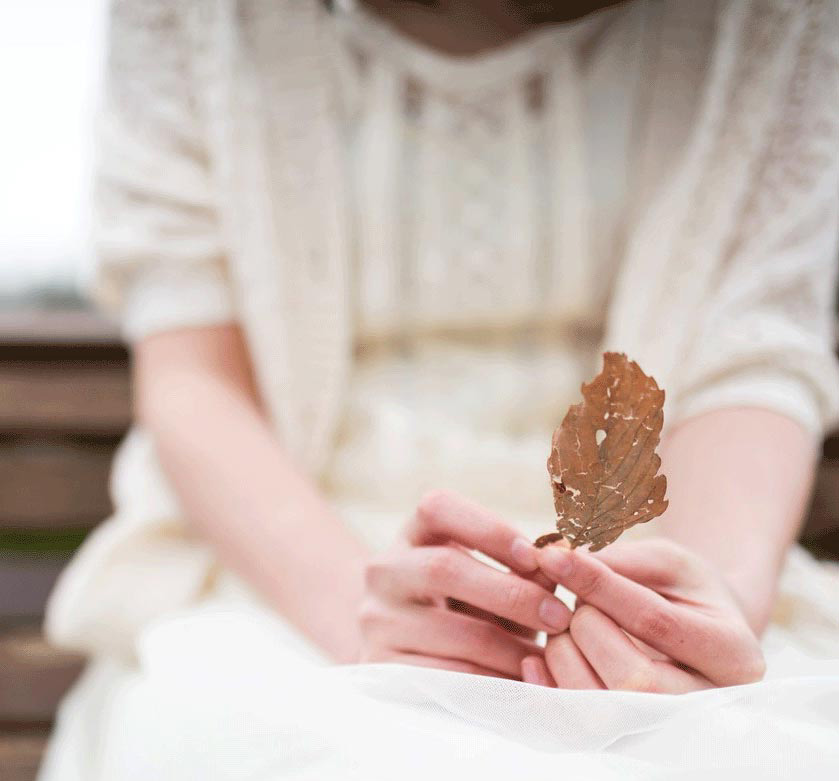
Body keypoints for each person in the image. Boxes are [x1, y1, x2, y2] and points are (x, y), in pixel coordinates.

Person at [39, 1, 839, 778]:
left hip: (667, 550)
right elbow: (195, 380)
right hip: (287, 585)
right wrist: (357, 611)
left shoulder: (773, 20)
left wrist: (695, 618)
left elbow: (752, 353)